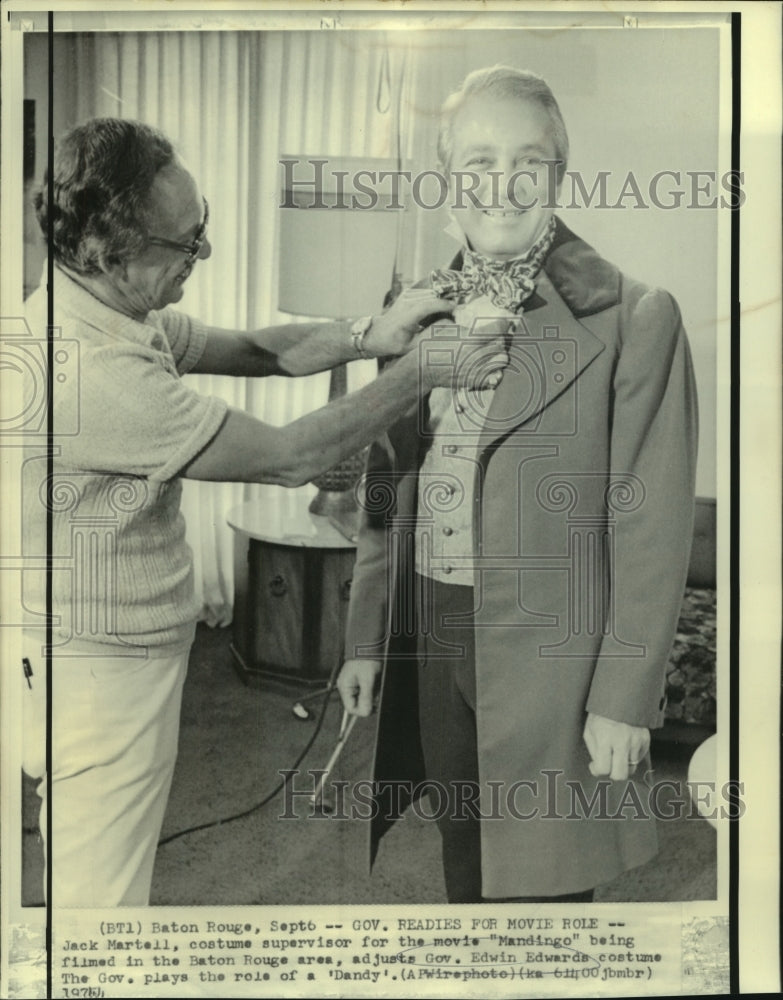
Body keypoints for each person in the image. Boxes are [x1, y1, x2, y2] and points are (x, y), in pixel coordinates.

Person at [20, 116, 509, 907]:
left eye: (202, 228)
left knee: (83, 862)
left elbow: (254, 347)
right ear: (110, 250)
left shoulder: (102, 308)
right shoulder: (92, 372)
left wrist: (364, 334)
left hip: (70, 647)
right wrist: (419, 371)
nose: (202, 255)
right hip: (100, 672)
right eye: (185, 244)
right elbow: (289, 458)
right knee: (99, 908)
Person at [337, 66, 698, 903]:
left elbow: (649, 529)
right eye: (475, 165)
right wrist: (364, 636)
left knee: (545, 887)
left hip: (554, 658)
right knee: (463, 858)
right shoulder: (410, 310)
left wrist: (623, 699)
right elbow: (386, 489)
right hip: (431, 628)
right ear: (446, 180)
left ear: (558, 177)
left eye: (525, 165)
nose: (498, 188)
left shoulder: (634, 316)